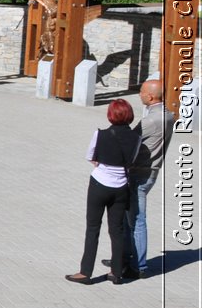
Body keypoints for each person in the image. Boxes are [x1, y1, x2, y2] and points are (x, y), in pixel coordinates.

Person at [66, 98, 142, 285]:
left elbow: (90, 156)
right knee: (117, 230)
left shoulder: (100, 134)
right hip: (121, 186)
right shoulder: (136, 138)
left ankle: (85, 272)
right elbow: (132, 161)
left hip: (100, 184)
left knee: (93, 228)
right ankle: (116, 272)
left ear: (110, 115)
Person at [123, 79, 174, 278]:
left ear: (151, 96)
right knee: (131, 218)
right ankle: (126, 257)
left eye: (142, 92)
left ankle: (138, 266)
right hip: (151, 171)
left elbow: (130, 141)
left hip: (139, 174)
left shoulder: (150, 121)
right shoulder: (168, 115)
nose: (140, 95)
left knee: (136, 220)